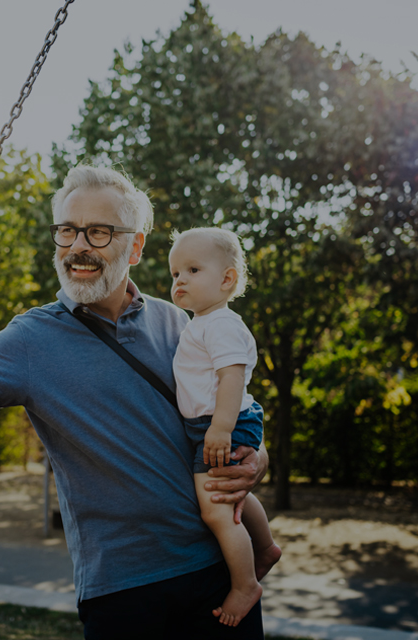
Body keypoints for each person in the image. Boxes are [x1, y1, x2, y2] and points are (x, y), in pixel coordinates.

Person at [0, 165, 269, 639]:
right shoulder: (29, 340)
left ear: (135, 247)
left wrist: (258, 457)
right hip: (122, 589)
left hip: (215, 571)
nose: (78, 245)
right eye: (67, 231)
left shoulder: (178, 321)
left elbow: (236, 408)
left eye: (99, 232)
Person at [168, 228, 283, 627]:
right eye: (175, 273)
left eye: (192, 269)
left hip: (222, 424)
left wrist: (220, 428)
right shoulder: (200, 323)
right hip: (215, 424)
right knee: (230, 495)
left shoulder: (221, 324)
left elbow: (232, 377)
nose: (179, 280)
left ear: (227, 279)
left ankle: (245, 584)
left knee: (215, 510)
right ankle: (265, 547)